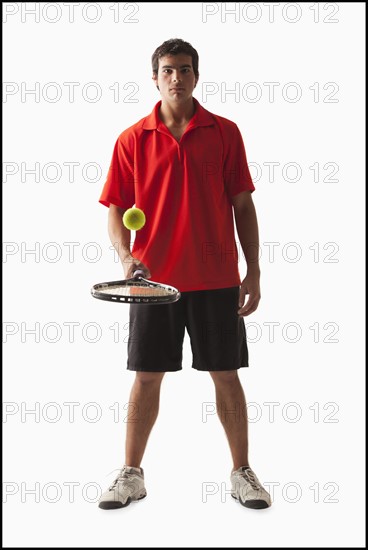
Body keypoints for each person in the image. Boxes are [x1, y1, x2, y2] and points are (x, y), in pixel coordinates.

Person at [98, 38, 271, 510]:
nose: (177, 77)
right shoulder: (133, 138)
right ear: (155, 77)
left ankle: (242, 472)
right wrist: (125, 257)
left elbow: (242, 203)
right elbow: (115, 209)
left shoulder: (225, 132)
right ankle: (131, 474)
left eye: (185, 69)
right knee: (146, 377)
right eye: (168, 70)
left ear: (197, 76)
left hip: (216, 278)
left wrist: (252, 270)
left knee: (226, 374)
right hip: (154, 284)